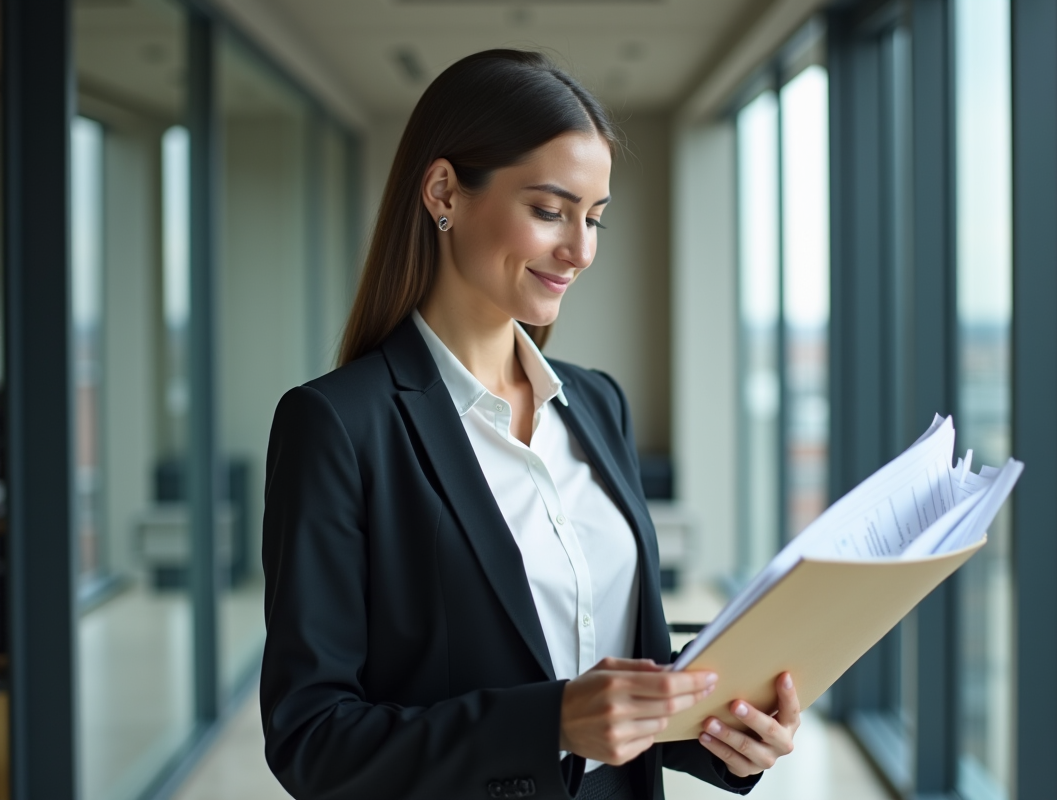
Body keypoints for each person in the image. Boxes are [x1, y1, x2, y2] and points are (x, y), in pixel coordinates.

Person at [260, 49, 800, 800]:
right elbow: (311, 739)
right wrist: (550, 721)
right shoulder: (337, 426)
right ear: (445, 190)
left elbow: (614, 665)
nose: (580, 250)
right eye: (550, 211)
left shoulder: (596, 403)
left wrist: (725, 736)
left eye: (595, 218)